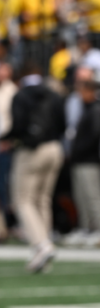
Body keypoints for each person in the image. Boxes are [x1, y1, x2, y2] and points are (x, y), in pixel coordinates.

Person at [3, 62, 66, 272]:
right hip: (55, 149)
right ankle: (44, 247)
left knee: (23, 200)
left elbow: (18, 125)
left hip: (32, 151)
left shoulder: (21, 96)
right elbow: (63, 124)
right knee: (43, 199)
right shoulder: (54, 93)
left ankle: (41, 245)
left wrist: (5, 138)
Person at [66, 68, 100, 246]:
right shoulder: (87, 109)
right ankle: (87, 229)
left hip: (89, 160)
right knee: (82, 197)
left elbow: (94, 136)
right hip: (81, 160)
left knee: (92, 197)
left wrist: (80, 150)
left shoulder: (95, 109)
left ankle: (97, 230)